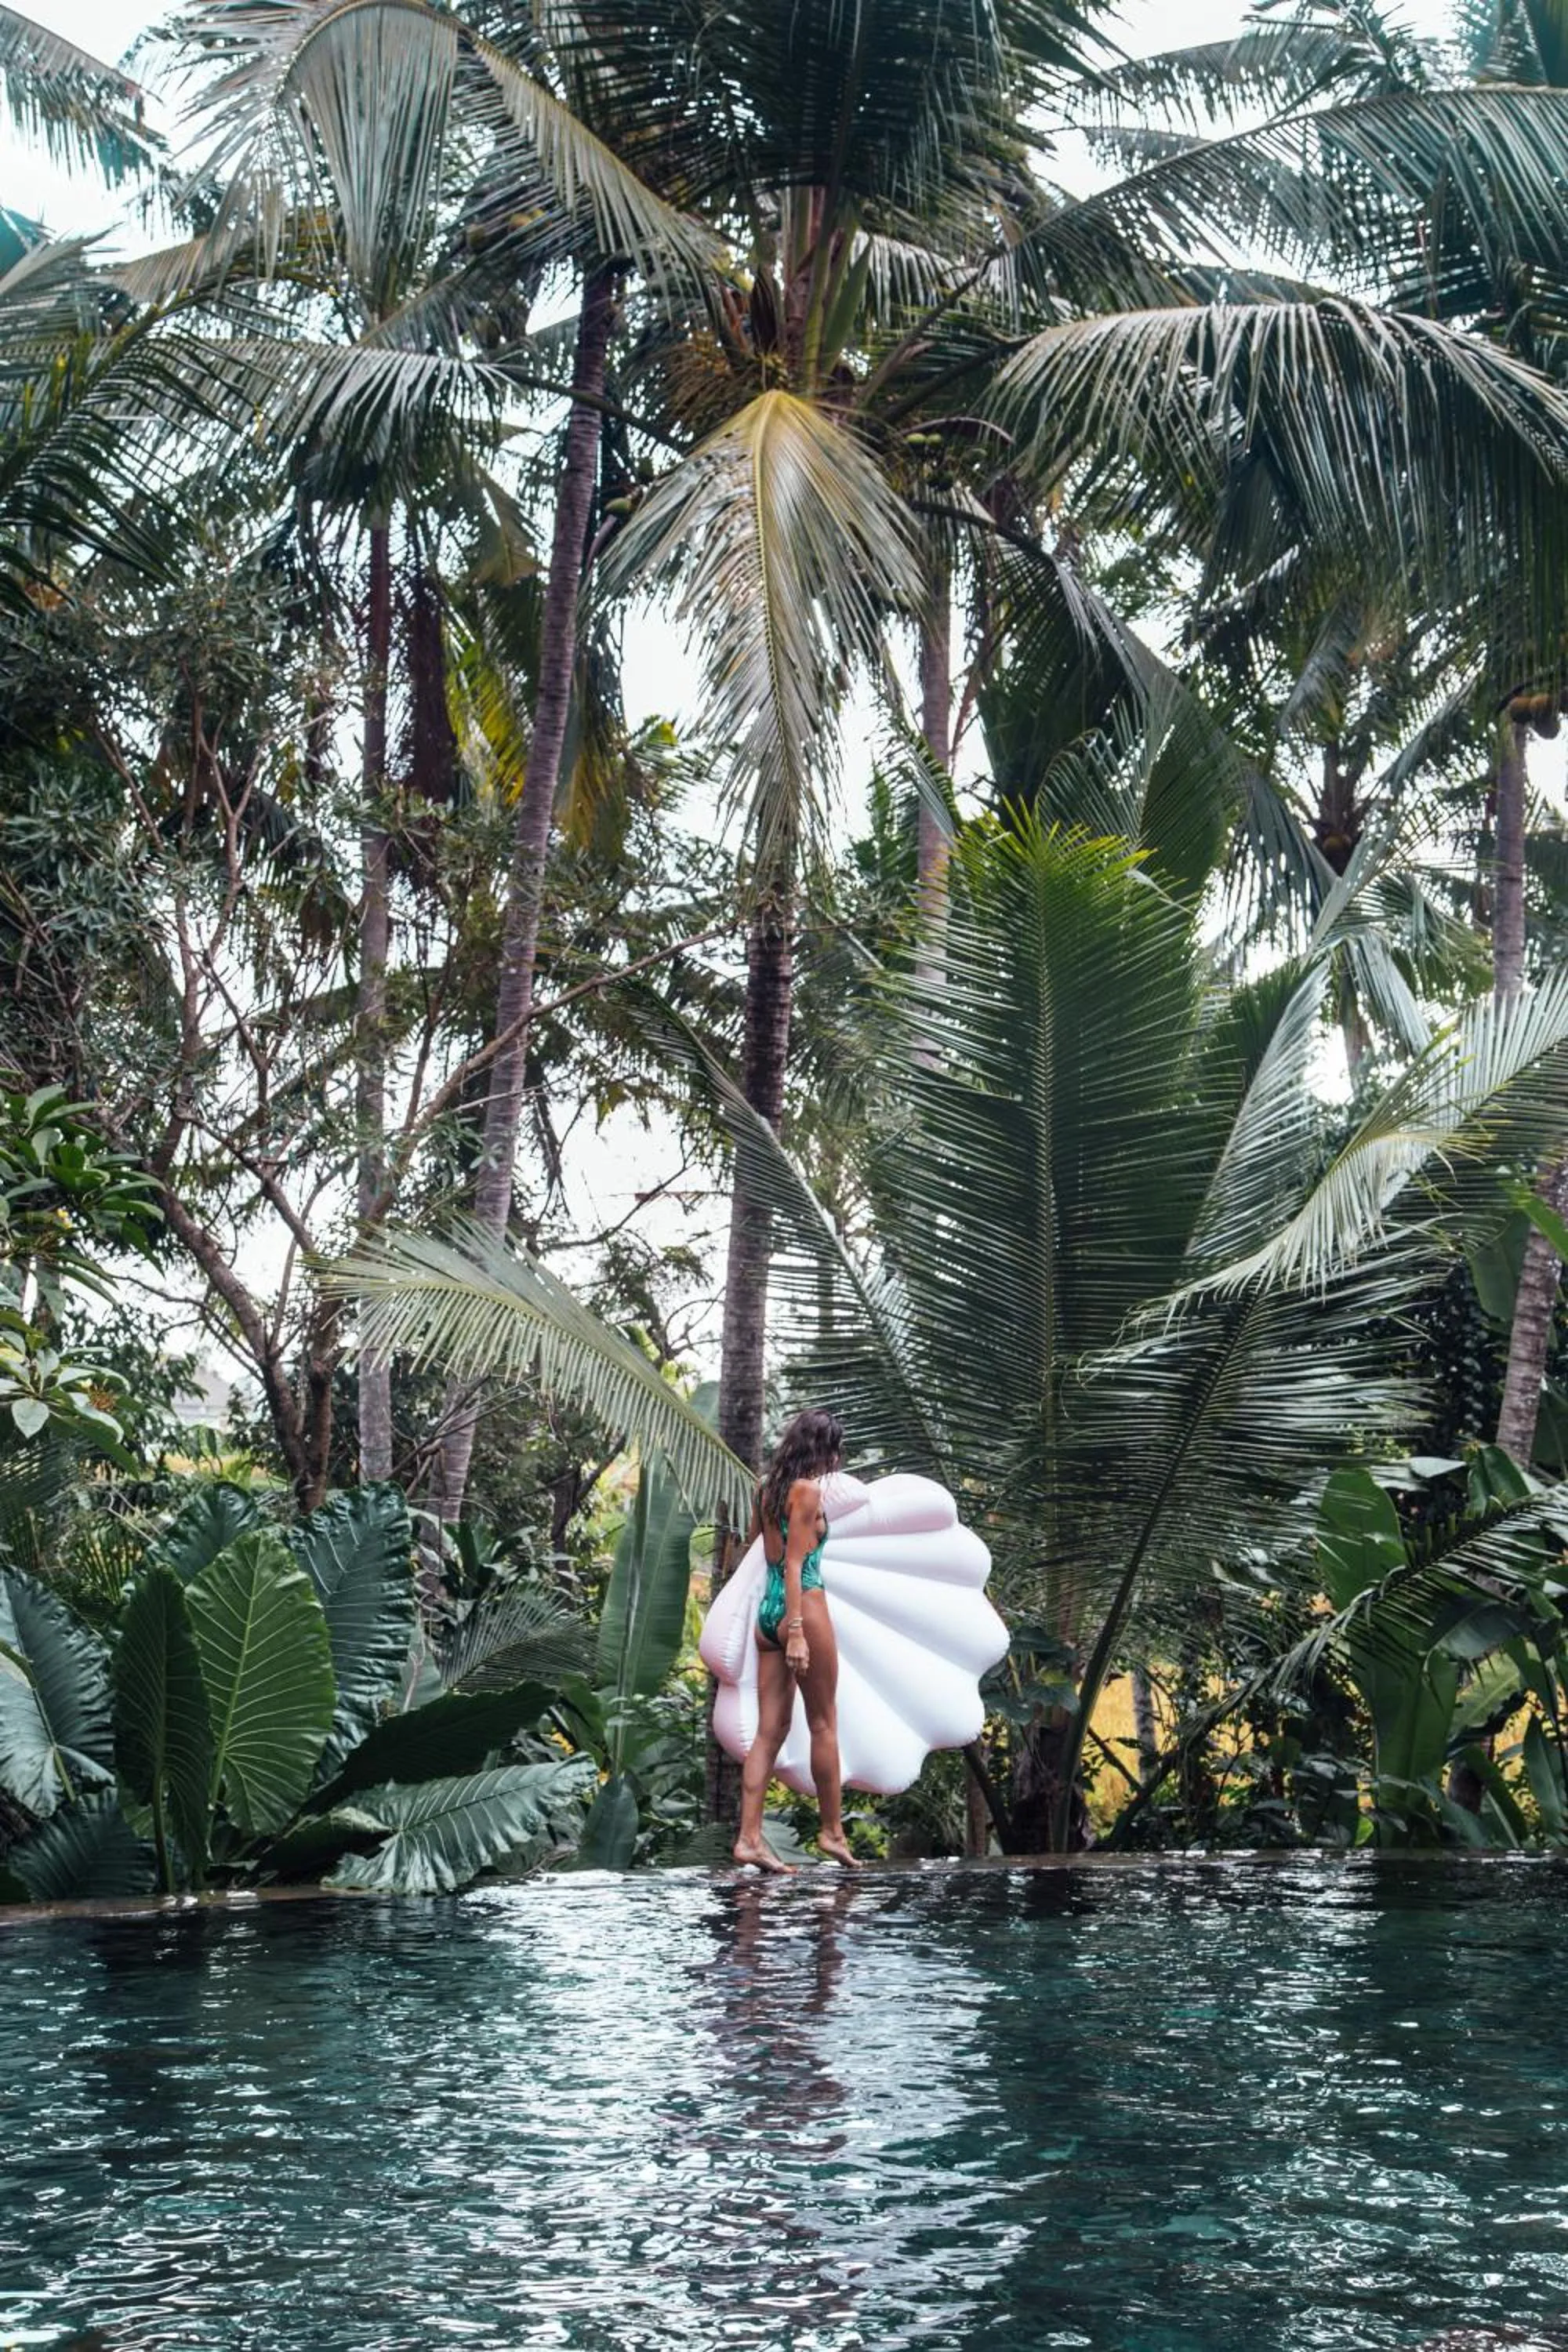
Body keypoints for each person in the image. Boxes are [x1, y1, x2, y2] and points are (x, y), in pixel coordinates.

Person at [732, 1406, 858, 1873]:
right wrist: (798, 1630)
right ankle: (832, 1833)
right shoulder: (807, 1491)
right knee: (824, 1723)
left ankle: (749, 1839)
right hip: (801, 1605)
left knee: (769, 1731)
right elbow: (793, 1562)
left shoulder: (767, 1489)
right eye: (835, 1450)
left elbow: (756, 1550)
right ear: (823, 1450)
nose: (836, 1460)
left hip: (767, 1614)